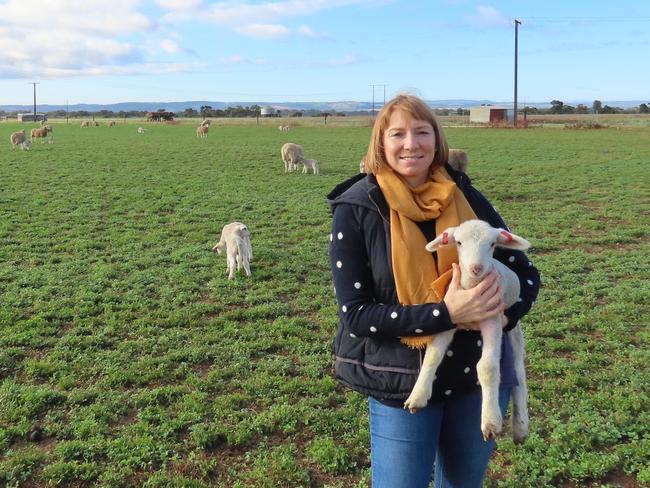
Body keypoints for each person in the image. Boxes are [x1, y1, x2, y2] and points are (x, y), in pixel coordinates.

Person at [327, 94, 540, 488]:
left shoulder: (466, 197)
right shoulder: (356, 208)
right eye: (398, 134)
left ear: (436, 140)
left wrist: (503, 314)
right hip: (403, 384)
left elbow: (526, 275)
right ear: (381, 143)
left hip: (475, 382)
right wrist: (448, 313)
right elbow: (355, 315)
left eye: (422, 132)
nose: (411, 144)